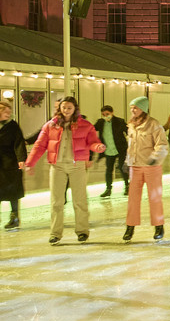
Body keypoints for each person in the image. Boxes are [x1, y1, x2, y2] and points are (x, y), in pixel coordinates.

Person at [24, 96, 106, 244]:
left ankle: (82, 231)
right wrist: (30, 163)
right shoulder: (50, 125)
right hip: (57, 166)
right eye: (64, 107)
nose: (66, 110)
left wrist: (97, 147)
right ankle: (55, 233)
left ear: (75, 109)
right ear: (59, 108)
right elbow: (39, 145)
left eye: (69, 108)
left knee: (79, 200)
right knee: (56, 201)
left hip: (77, 166)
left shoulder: (85, 125)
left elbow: (93, 142)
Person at [122, 96, 169, 242]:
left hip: (151, 166)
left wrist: (155, 157)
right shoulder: (130, 125)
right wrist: (126, 161)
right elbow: (131, 147)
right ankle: (130, 226)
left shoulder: (154, 124)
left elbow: (162, 144)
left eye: (135, 108)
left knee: (155, 198)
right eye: (131, 108)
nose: (132, 110)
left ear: (143, 108)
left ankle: (158, 225)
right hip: (135, 166)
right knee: (133, 199)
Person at [0, 100, 27, 230]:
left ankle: (14, 217)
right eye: (5, 112)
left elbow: (19, 142)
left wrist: (21, 159)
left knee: (13, 192)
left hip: (10, 163)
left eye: (9, 112)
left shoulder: (13, 126)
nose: (8, 114)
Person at [95, 104, 129, 198]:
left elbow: (128, 131)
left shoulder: (120, 121)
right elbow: (91, 129)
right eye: (104, 114)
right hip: (108, 150)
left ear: (112, 112)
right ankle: (108, 189)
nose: (106, 116)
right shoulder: (101, 122)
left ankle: (127, 186)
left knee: (122, 168)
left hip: (120, 149)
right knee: (109, 170)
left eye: (107, 114)